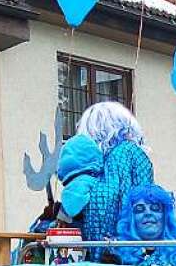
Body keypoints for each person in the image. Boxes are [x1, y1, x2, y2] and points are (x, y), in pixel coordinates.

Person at [56, 102, 154, 244]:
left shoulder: (117, 156)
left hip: (111, 246)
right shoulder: (127, 154)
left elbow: (113, 199)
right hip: (128, 243)